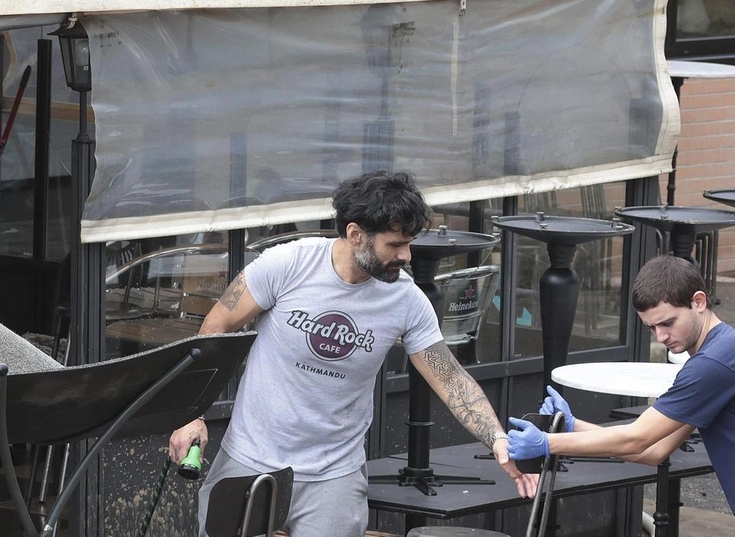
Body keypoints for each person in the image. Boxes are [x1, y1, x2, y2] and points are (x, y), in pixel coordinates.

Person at [167, 170, 532, 536]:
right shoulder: (286, 265)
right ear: (356, 234)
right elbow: (215, 330)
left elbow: (450, 377)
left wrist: (497, 439)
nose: (406, 256)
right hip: (249, 457)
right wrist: (190, 415)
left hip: (333, 476)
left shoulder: (406, 300)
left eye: (410, 243)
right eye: (394, 245)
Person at [507, 255, 735, 512]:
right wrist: (572, 426)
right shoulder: (719, 353)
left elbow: (637, 439)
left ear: (699, 301)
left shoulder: (714, 363)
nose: (660, 336)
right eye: (651, 327)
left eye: (667, 323)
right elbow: (654, 450)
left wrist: (548, 442)